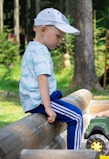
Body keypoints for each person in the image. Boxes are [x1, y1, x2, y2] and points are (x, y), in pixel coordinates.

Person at [19, 8, 83, 150]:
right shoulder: (40, 52)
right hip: (40, 101)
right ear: (43, 30)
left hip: (37, 99)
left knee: (64, 104)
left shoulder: (33, 48)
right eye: (58, 36)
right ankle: (76, 156)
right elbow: (42, 79)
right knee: (77, 117)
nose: (60, 41)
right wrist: (48, 107)